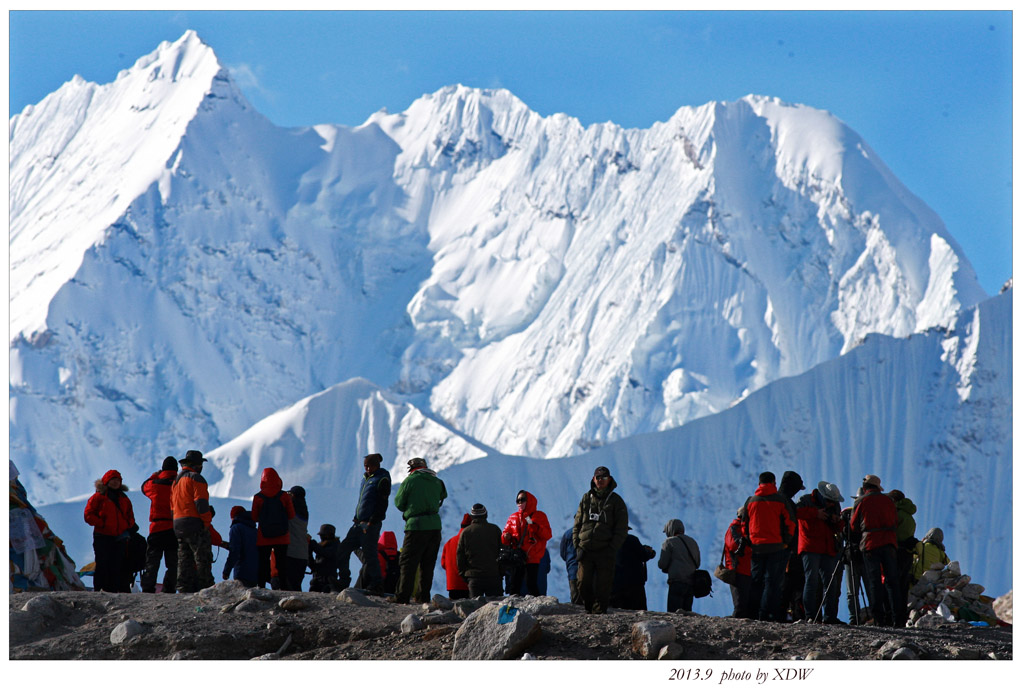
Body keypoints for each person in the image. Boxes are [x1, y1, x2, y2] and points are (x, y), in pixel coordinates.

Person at [849, 474, 904, 628]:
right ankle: (897, 619)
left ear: (866, 487)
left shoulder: (861, 501)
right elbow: (895, 521)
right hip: (889, 543)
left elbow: (853, 526)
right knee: (892, 581)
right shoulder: (889, 501)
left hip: (870, 544)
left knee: (874, 582)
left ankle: (879, 619)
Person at [572, 466, 629, 614]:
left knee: (603, 586)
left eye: (604, 478)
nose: (600, 480)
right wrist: (577, 545)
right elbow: (577, 523)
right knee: (583, 583)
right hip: (585, 549)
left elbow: (621, 528)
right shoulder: (586, 498)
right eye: (598, 477)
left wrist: (612, 548)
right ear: (593, 479)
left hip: (605, 550)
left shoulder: (616, 501)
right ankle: (589, 607)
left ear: (609, 479)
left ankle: (599, 613)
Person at [741, 471, 796, 622]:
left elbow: (744, 525)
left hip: (757, 547)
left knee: (756, 581)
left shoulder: (751, 501)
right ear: (773, 482)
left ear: (759, 484)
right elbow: (790, 523)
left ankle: (752, 614)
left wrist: (750, 540)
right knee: (772, 583)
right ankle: (767, 615)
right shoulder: (781, 500)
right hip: (776, 547)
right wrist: (786, 541)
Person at [391, 457, 447, 604]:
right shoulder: (437, 481)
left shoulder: (410, 481)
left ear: (412, 469)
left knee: (408, 562)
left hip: (415, 526)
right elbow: (442, 497)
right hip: (435, 526)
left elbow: (399, 503)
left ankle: (402, 596)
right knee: (428, 564)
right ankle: (423, 597)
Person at [337, 453, 391, 594]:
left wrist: (373, 521)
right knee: (343, 549)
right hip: (358, 523)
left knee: (370, 554)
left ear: (376, 465)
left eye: (369, 465)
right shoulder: (367, 478)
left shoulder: (382, 479)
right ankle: (343, 581)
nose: (367, 468)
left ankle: (376, 584)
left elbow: (382, 503)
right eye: (365, 466)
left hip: (370, 525)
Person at [795, 481, 845, 624]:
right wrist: (814, 513)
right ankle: (810, 616)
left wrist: (837, 521)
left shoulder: (834, 505)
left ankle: (829, 617)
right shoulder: (805, 500)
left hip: (827, 547)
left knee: (830, 583)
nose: (831, 504)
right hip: (810, 546)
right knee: (812, 580)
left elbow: (839, 527)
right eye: (829, 501)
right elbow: (795, 512)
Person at [83, 469, 137, 592]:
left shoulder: (124, 498)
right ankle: (100, 589)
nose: (116, 482)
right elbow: (88, 515)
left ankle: (113, 590)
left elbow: (130, 516)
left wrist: (126, 525)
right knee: (102, 564)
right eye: (113, 480)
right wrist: (102, 524)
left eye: (118, 480)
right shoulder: (98, 497)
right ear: (107, 481)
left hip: (119, 536)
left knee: (117, 564)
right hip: (103, 536)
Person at [171, 450, 215, 593]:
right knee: (202, 556)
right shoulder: (196, 478)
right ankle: (206, 587)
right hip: (194, 522)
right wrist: (206, 523)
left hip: (178, 523)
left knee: (184, 558)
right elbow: (201, 503)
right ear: (197, 464)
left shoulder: (176, 481)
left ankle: (183, 586)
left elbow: (172, 505)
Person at [501, 490, 553, 596]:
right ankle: (512, 607)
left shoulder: (538, 516)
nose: (520, 502)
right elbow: (504, 537)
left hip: (532, 556)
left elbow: (547, 535)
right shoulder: (513, 517)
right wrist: (506, 536)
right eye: (518, 500)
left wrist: (535, 527)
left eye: (522, 499)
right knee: (515, 583)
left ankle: (537, 607)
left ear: (529, 501)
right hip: (517, 555)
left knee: (531, 583)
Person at [140, 456, 178, 593]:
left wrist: (155, 475)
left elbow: (144, 487)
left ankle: (148, 587)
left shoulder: (155, 484)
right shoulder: (179, 484)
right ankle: (169, 588)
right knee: (173, 563)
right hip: (174, 528)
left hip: (157, 528)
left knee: (152, 561)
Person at [456, 503, 504, 598]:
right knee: (496, 608)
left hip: (474, 577)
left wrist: (464, 574)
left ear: (471, 516)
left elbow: (460, 556)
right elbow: (503, 552)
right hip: (493, 576)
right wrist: (501, 572)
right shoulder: (495, 530)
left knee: (475, 610)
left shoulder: (465, 532)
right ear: (486, 515)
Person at [778, 470, 805, 621]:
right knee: (789, 584)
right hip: (788, 550)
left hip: (777, 548)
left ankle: (779, 614)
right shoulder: (787, 503)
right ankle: (787, 615)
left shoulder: (775, 500)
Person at [658, 518, 701, 612]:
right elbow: (698, 563)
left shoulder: (669, 542)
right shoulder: (693, 542)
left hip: (676, 582)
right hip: (691, 584)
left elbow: (662, 564)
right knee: (687, 615)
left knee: (674, 614)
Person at [612, 528, 656, 610]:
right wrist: (648, 551)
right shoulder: (632, 539)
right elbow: (643, 556)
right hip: (635, 582)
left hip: (615, 583)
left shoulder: (610, 541)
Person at [888, 489, 917, 613]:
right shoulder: (909, 515)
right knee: (903, 584)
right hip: (908, 552)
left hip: (896, 550)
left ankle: (893, 613)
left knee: (893, 583)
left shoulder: (896, 513)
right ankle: (902, 614)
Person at [722, 508, 753, 618]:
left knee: (746, 605)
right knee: (740, 605)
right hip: (738, 570)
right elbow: (735, 546)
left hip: (746, 570)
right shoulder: (735, 528)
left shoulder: (742, 529)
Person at [222, 506, 258, 587]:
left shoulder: (236, 528)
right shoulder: (255, 531)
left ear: (233, 517)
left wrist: (226, 571)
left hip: (242, 572)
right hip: (256, 573)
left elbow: (235, 551)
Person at [442, 513, 472, 599]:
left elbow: (443, 564)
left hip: (453, 585)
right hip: (468, 584)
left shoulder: (449, 542)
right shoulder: (472, 542)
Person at [285, 486, 310, 591]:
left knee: (289, 586)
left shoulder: (290, 510)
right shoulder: (304, 510)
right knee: (296, 585)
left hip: (291, 552)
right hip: (303, 554)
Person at [308, 523, 343, 593]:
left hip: (328, 581)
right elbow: (312, 565)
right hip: (316, 580)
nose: (321, 537)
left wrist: (312, 544)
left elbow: (326, 554)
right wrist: (309, 551)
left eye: (323, 535)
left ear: (329, 535)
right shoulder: (319, 547)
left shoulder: (335, 545)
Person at [559, 527, 581, 605]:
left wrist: (569, 561)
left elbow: (563, 553)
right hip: (588, 569)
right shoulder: (590, 533)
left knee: (575, 596)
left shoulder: (568, 533)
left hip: (572, 569)